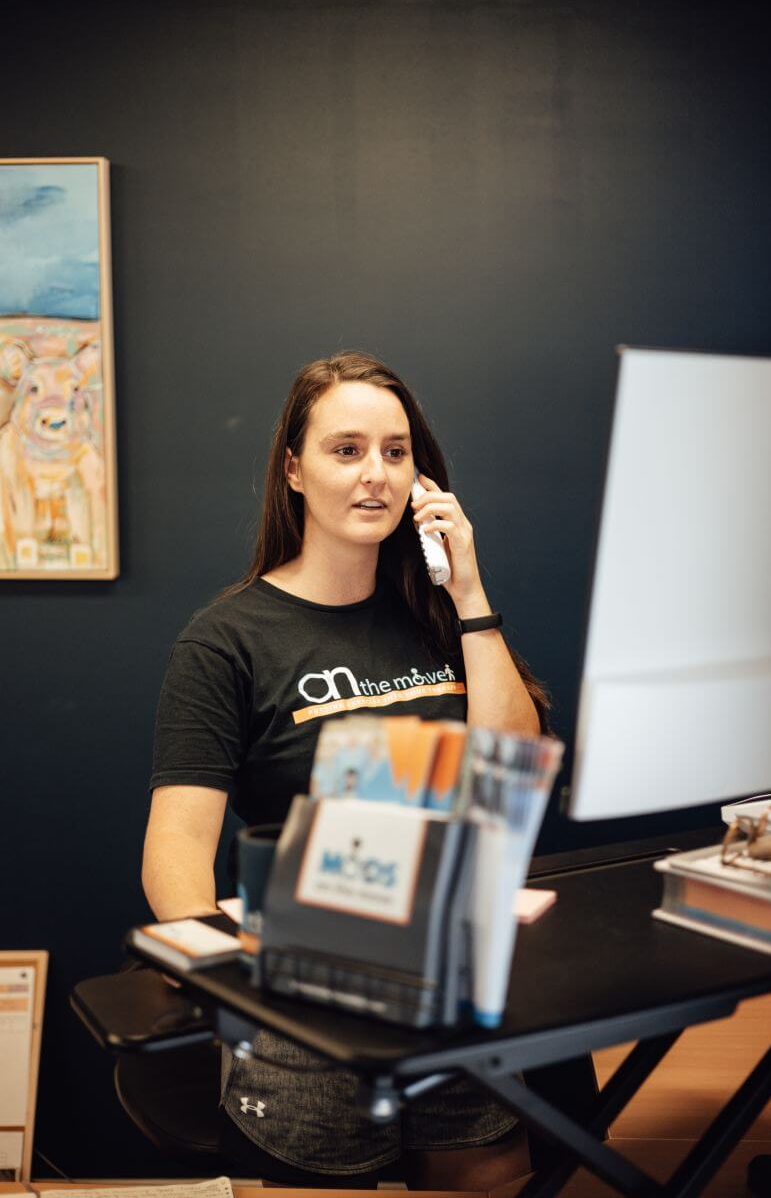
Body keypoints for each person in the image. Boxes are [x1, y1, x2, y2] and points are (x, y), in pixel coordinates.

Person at [142, 350, 550, 1189]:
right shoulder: (227, 640)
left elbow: (513, 766)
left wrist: (468, 591)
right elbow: (176, 847)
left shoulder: (437, 619)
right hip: (305, 999)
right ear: (293, 469)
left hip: (447, 980)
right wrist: (244, 987)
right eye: (347, 450)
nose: (376, 475)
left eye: (396, 452)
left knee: (498, 1174)